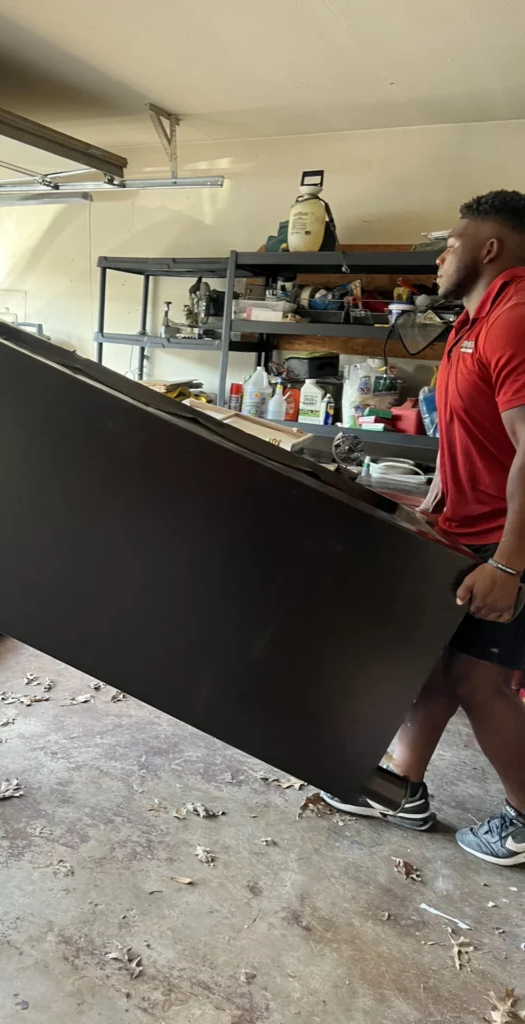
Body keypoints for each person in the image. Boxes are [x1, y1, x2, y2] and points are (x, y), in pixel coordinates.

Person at [323, 190, 525, 866]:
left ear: (489, 248)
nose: (441, 256)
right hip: (470, 532)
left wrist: (508, 566)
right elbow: (475, 430)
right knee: (434, 664)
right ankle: (400, 786)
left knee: (478, 683)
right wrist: (440, 495)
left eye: (452, 243)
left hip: (509, 546)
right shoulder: (472, 322)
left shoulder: (517, 317)